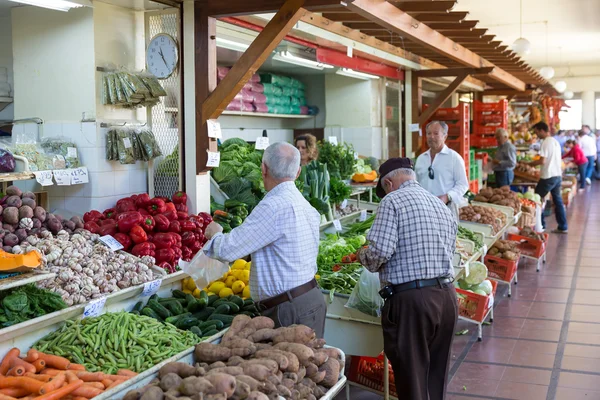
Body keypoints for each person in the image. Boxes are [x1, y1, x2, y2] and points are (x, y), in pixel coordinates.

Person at [357, 157, 458, 400]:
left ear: (389, 183)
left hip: (413, 302)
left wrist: (362, 254)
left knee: (412, 380)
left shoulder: (392, 201)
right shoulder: (439, 205)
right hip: (447, 298)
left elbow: (378, 254)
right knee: (436, 376)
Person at [203, 142, 327, 336]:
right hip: (309, 299)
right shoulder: (303, 204)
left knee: (288, 364)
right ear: (297, 172)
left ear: (263, 169)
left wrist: (215, 234)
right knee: (309, 365)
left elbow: (228, 250)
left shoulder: (273, 206)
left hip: (289, 309)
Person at [415, 121, 469, 217]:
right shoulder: (421, 158)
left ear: (445, 136)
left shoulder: (454, 158)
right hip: (423, 210)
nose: (431, 137)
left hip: (446, 210)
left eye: (436, 133)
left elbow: (462, 184)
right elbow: (416, 183)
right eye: (429, 133)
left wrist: (447, 197)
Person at [528, 122, 568, 234]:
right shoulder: (555, 141)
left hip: (548, 176)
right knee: (558, 201)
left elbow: (542, 161)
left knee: (536, 199)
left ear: (541, 130)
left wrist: (530, 164)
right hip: (557, 175)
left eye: (536, 132)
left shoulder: (546, 142)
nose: (536, 135)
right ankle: (563, 226)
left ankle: (540, 226)